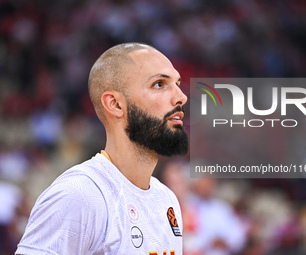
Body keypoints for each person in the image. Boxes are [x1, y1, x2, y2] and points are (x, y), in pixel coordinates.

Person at [16, 42, 188, 255]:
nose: (181, 96)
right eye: (159, 84)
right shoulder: (79, 194)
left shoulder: (167, 200)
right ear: (115, 104)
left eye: (177, 83)